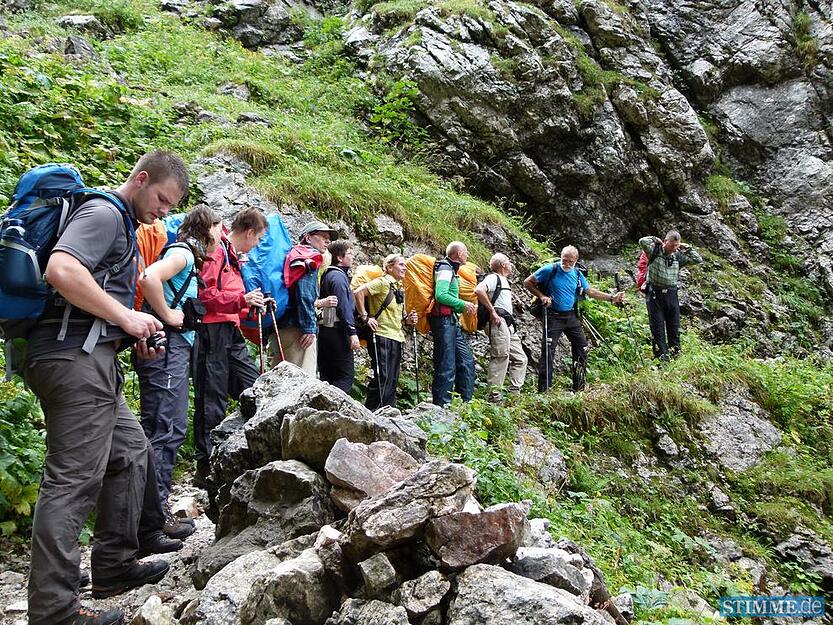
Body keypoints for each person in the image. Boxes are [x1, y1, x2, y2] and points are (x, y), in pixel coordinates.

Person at [22, 150, 188, 625]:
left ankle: (114, 566)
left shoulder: (124, 225)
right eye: (161, 199)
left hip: (89, 358)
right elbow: (63, 270)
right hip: (72, 362)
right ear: (140, 180)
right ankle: (55, 612)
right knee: (72, 481)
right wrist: (127, 317)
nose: (164, 211)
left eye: (171, 205)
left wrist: (130, 334)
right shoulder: (103, 213)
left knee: (132, 453)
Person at [137, 206, 221, 512]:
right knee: (166, 427)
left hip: (171, 349)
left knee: (163, 427)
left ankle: (148, 514)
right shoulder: (184, 254)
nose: (221, 237)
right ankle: (152, 517)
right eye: (219, 229)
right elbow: (149, 278)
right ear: (208, 228)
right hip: (167, 350)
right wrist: (169, 315)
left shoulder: (188, 256)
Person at [193, 207, 266, 487]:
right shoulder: (217, 251)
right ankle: (206, 465)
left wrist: (250, 304)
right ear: (249, 232)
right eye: (257, 239)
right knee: (211, 397)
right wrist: (241, 302)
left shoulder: (230, 254)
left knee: (255, 388)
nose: (256, 244)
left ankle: (247, 450)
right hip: (211, 330)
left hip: (229, 328)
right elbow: (204, 295)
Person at [524, 245, 624, 392]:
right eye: (564, 260)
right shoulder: (550, 269)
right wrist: (542, 296)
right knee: (548, 352)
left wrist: (611, 298)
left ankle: (579, 388)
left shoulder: (577, 274)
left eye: (571, 261)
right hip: (552, 316)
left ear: (576, 261)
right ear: (561, 257)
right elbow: (528, 282)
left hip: (571, 316)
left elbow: (590, 291)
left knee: (582, 348)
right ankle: (544, 391)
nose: (567, 264)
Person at [273, 220, 338, 374]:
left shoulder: (293, 255)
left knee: (280, 379)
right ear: (308, 238)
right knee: (301, 380)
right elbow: (305, 294)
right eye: (323, 236)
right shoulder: (309, 257)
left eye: (329, 238)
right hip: (297, 330)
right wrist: (309, 328)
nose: (328, 241)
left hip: (281, 326)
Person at [354, 254, 418, 409]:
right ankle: (372, 411)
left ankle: (388, 410)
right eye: (401, 265)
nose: (405, 268)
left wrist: (408, 320)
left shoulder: (398, 287)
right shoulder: (383, 282)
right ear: (389, 267)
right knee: (383, 376)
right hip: (380, 334)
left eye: (405, 265)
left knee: (392, 378)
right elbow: (358, 293)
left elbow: (397, 316)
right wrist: (365, 317)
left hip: (396, 336)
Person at [638, 230, 703, 360]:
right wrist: (655, 239)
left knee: (674, 326)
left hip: (671, 294)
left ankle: (675, 354)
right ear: (666, 241)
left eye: (676, 246)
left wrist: (687, 247)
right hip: (655, 294)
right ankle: (661, 357)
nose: (673, 248)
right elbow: (642, 241)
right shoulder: (654, 252)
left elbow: (698, 259)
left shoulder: (678, 256)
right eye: (671, 245)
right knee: (657, 327)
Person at [429, 241, 477, 407]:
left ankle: (466, 405)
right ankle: (441, 407)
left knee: (466, 362)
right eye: (466, 252)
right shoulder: (444, 269)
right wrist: (463, 304)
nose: (468, 255)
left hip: (451, 322)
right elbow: (441, 295)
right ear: (458, 255)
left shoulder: (451, 269)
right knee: (446, 365)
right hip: (443, 323)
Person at [474, 253, 528, 401]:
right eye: (509, 262)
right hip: (498, 322)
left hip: (507, 324)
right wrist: (492, 311)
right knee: (500, 356)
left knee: (520, 359)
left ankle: (514, 395)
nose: (511, 264)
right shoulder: (493, 278)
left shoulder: (503, 281)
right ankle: (494, 398)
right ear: (503, 265)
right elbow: (479, 290)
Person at [317, 240, 360, 392]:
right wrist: (352, 332)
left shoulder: (325, 275)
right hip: (337, 330)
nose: (353, 257)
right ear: (339, 258)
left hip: (323, 329)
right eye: (349, 253)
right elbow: (344, 306)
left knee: (327, 375)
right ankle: (336, 410)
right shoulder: (338, 278)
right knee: (345, 375)